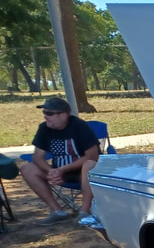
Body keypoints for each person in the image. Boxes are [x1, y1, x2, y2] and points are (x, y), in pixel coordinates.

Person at [20, 96, 101, 225]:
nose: (45, 116)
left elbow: (92, 157)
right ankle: (57, 211)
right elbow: (37, 157)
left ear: (63, 115)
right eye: (44, 112)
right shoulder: (44, 128)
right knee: (27, 168)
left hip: (83, 173)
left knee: (90, 165)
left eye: (49, 113)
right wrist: (51, 171)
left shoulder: (80, 127)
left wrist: (61, 170)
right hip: (58, 172)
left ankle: (85, 211)